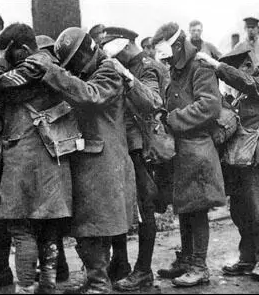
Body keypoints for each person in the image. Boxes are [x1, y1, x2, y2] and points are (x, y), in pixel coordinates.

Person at [26, 27, 137, 293]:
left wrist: (53, 72)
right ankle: (96, 279)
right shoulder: (91, 71)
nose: (74, 67)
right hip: (90, 160)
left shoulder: (109, 71)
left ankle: (99, 284)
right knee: (87, 226)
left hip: (103, 161)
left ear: (87, 51)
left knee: (95, 226)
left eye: (74, 60)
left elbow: (90, 95)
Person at [0, 22, 74, 294]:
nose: (4, 57)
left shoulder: (34, 64)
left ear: (22, 50)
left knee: (22, 228)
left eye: (9, 52)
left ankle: (25, 289)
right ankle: (47, 288)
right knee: (48, 229)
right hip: (51, 156)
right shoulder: (48, 63)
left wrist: (0, 57)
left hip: (26, 156)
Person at [196, 45, 259, 281]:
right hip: (238, 158)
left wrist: (217, 66)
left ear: (247, 65)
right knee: (239, 211)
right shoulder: (236, 92)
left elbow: (248, 83)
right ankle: (247, 259)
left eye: (237, 66)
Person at [152, 22, 226, 287]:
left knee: (197, 210)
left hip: (197, 148)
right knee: (185, 207)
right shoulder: (177, 68)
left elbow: (210, 105)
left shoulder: (200, 66)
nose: (168, 60)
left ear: (178, 45)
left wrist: (173, 119)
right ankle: (186, 260)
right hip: (183, 150)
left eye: (170, 54)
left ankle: (199, 266)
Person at [100, 26, 166, 291]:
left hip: (142, 148)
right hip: (125, 145)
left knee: (144, 208)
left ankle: (143, 270)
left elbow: (152, 102)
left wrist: (127, 77)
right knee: (123, 204)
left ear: (125, 47)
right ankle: (121, 262)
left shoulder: (147, 67)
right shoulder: (130, 64)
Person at [33, 34, 71, 284]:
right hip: (53, 152)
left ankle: (58, 267)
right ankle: (58, 266)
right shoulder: (52, 76)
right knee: (49, 217)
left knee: (51, 217)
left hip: (57, 152)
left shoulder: (55, 77)